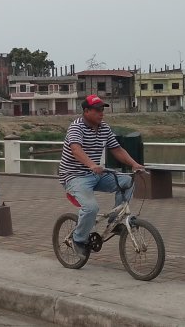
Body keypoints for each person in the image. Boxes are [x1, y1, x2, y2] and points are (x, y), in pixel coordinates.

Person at [58, 94, 146, 257]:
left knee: (127, 181)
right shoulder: (76, 127)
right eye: (97, 110)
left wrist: (134, 164)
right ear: (86, 111)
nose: (101, 113)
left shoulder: (104, 127)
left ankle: (115, 221)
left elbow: (117, 149)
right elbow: (76, 150)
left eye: (102, 109)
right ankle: (78, 239)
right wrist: (91, 164)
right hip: (74, 176)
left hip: (95, 174)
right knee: (91, 208)